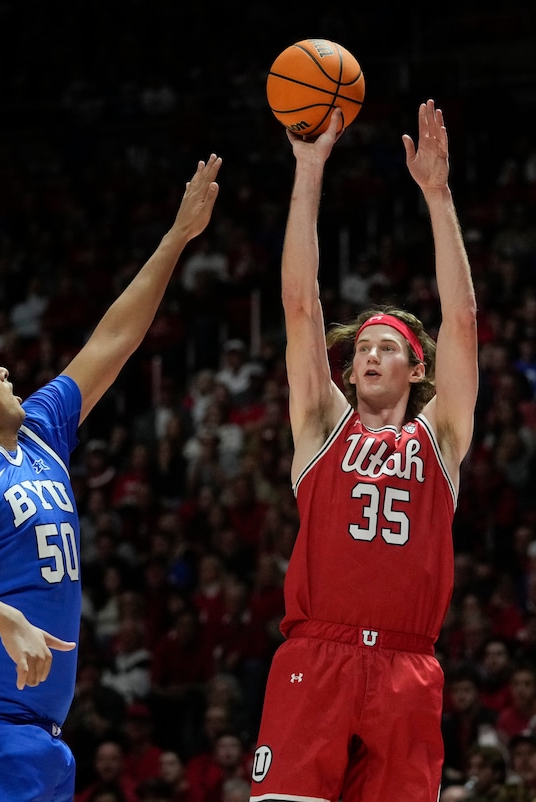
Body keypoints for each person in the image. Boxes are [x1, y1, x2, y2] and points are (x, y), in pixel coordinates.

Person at [0, 153, 222, 802]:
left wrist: (176, 238)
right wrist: (5, 619)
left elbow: (113, 340)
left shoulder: (39, 433)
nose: (4, 370)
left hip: (40, 740)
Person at [250, 100, 478, 802]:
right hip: (315, 656)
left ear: (418, 371)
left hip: (408, 667)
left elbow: (464, 321)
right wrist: (309, 168)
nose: (372, 353)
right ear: (348, 372)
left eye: (391, 348)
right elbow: (299, 304)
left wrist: (438, 196)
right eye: (364, 349)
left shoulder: (441, 437)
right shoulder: (321, 424)